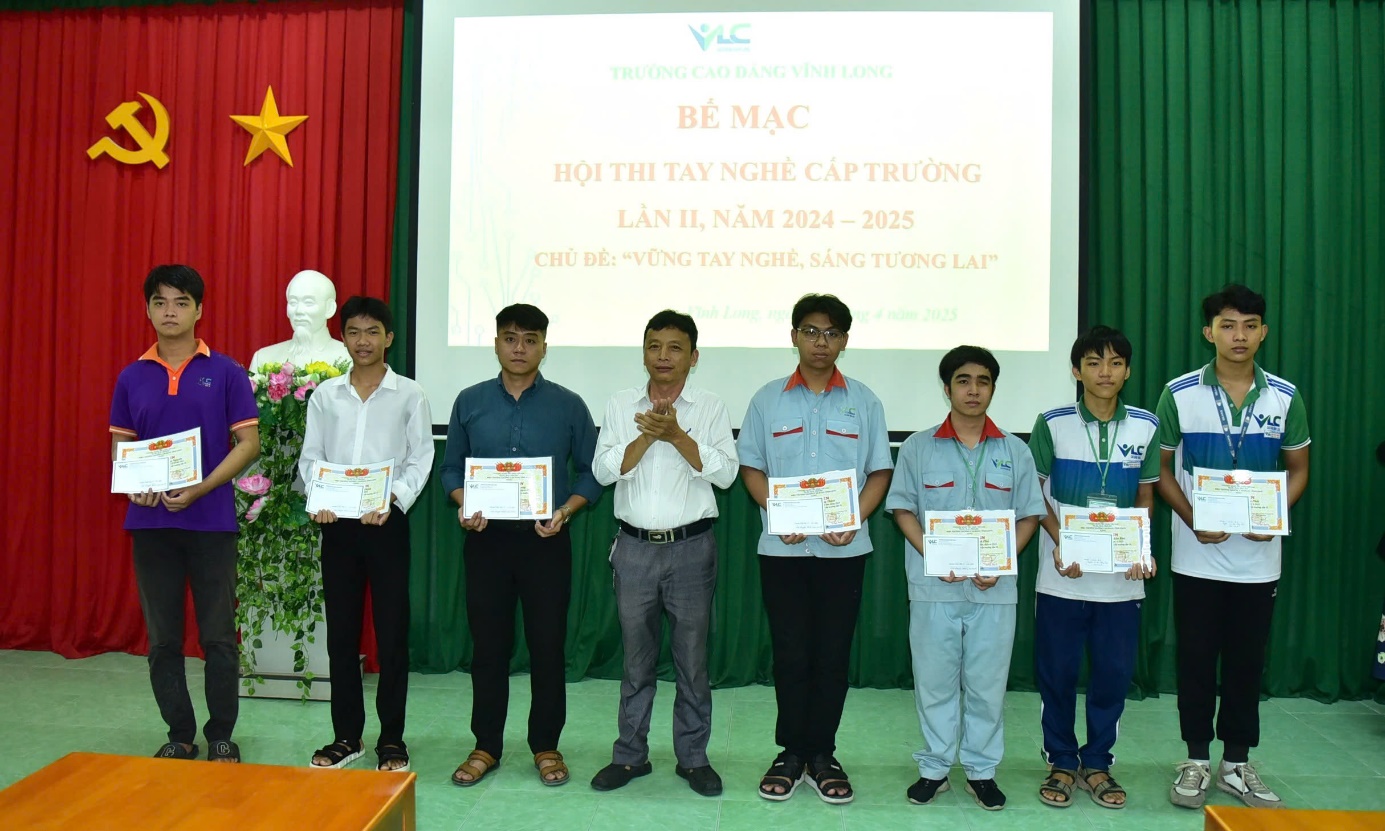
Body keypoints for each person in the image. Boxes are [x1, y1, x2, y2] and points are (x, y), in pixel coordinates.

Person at [1156, 284, 1310, 810]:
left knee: (1247, 664)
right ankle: (1197, 760)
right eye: (1227, 325)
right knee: (1196, 660)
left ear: (1263, 332)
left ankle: (1236, 764)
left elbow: (1299, 469)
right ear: (1209, 333)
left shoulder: (1285, 396)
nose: (1238, 336)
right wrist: (1193, 517)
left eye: (1249, 325)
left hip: (1259, 562)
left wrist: (1276, 514)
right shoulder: (1179, 393)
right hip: (1195, 557)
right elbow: (1160, 470)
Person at [737, 294, 893, 805]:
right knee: (790, 654)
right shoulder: (767, 400)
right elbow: (751, 467)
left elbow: (879, 472)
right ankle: (791, 752)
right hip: (782, 552)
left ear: (844, 340)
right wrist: (777, 512)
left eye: (831, 333)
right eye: (810, 331)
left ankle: (823, 752)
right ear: (794, 336)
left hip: (843, 553)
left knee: (831, 655)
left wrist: (855, 517)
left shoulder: (865, 402)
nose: (820, 342)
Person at [440, 303, 602, 788]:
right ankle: (486, 745)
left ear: (544, 347)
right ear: (496, 343)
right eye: (510, 338)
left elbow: (591, 472)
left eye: (530, 340)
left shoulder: (568, 405)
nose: (519, 348)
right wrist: (464, 502)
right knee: (488, 648)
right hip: (486, 540)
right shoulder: (469, 401)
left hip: (545, 541)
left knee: (547, 647)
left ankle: (546, 745)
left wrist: (565, 511)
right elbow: (450, 469)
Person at [109, 264, 261, 763]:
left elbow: (249, 444)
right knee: (163, 640)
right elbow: (122, 447)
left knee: (218, 636)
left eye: (180, 303)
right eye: (160, 302)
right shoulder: (131, 376)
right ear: (148, 310)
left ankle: (221, 735)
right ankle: (180, 733)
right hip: (151, 525)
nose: (169, 312)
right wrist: (134, 485)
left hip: (211, 522)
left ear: (199, 310)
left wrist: (201, 488)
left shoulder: (227, 371)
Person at [884, 345, 1044, 811]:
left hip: (995, 590)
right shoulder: (917, 447)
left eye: (983, 381)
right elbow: (902, 509)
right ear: (947, 387)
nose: (973, 390)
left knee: (986, 685)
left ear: (993, 388)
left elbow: (1029, 516)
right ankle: (934, 767)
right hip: (934, 586)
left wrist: (1001, 560)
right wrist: (933, 552)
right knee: (934, 681)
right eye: (963, 380)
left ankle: (981, 770)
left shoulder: (1015, 450)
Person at [589, 310, 738, 797]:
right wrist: (647, 436)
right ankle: (630, 755)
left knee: (692, 661)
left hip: (692, 549)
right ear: (644, 352)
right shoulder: (620, 404)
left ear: (693, 357)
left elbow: (726, 474)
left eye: (675, 348)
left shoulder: (710, 407)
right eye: (654, 346)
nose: (663, 356)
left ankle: (693, 758)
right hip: (633, 549)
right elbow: (604, 471)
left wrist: (676, 435)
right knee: (636, 661)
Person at [1027, 326, 1160, 810]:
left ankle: (1098, 762)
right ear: (1076, 370)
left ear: (1128, 371)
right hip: (1062, 576)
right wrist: (1062, 541)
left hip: (1121, 583)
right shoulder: (1052, 423)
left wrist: (1141, 547)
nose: (1106, 372)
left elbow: (1145, 494)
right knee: (1057, 674)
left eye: (1116, 363)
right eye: (1094, 362)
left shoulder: (1146, 425)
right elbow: (1033, 492)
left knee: (1112, 676)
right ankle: (1062, 760)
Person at [298, 296, 433, 773]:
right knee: (341, 635)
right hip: (336, 526)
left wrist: (393, 499)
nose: (363, 341)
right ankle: (346, 736)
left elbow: (420, 458)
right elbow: (311, 457)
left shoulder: (410, 395)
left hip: (386, 524)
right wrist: (319, 496)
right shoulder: (325, 396)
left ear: (388, 338)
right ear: (343, 337)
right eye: (354, 332)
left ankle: (392, 739)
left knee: (392, 634)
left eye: (372, 332)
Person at [249, 269, 351, 371]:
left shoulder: (350, 358)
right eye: (293, 302)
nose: (298, 311)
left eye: (308, 302)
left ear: (329, 309)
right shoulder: (263, 359)